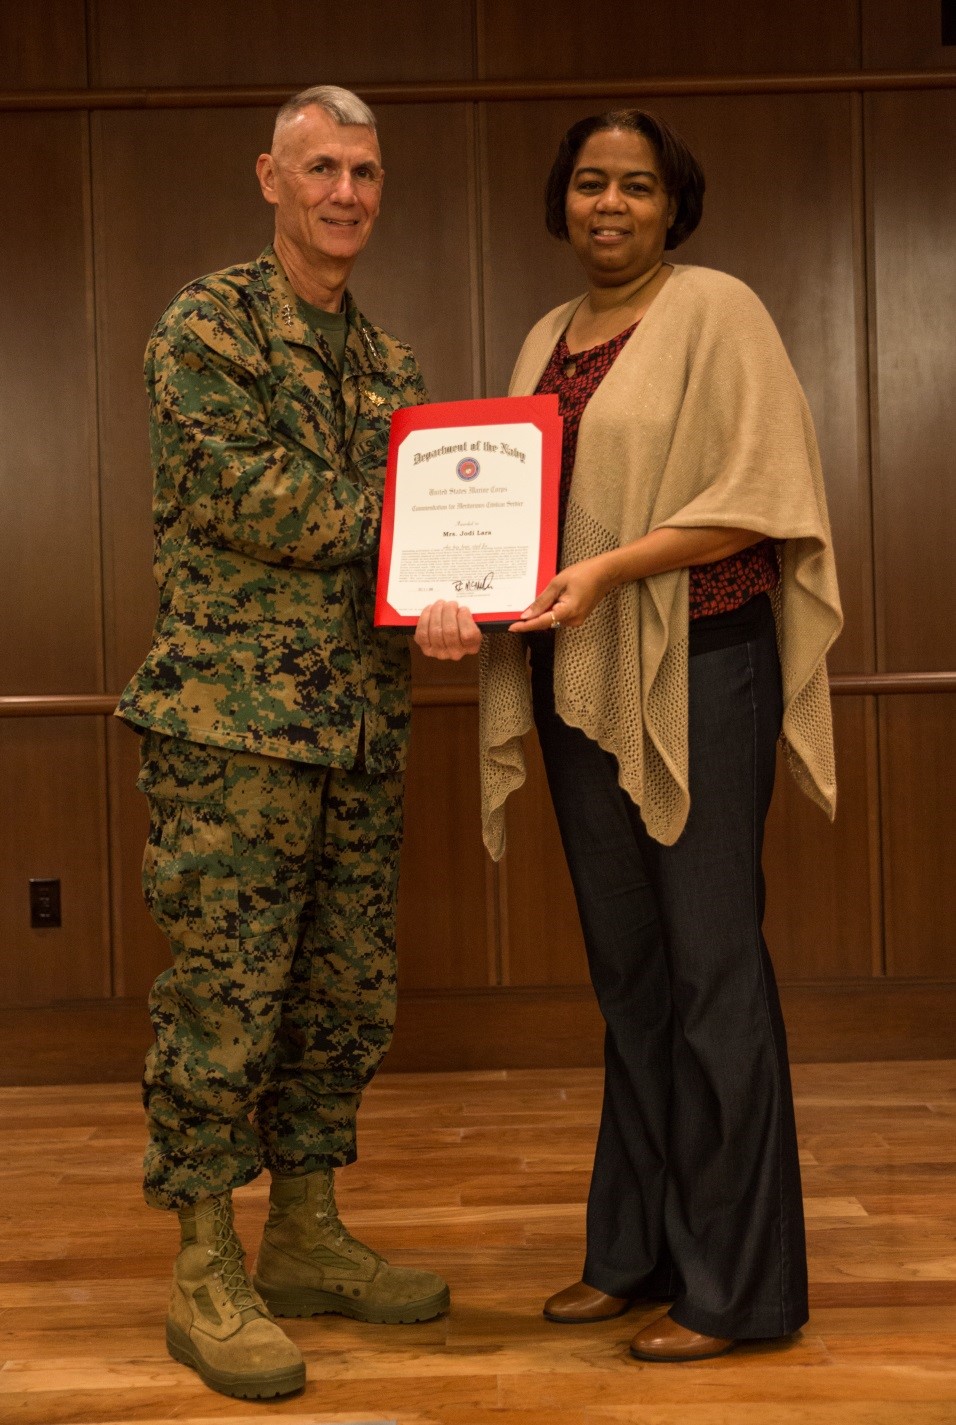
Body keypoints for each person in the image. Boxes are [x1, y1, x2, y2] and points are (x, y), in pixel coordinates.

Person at [415, 109, 842, 1363]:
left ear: (672, 205)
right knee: (631, 979)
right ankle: (637, 1251)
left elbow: (759, 501)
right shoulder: (545, 336)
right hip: (575, 675)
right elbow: (507, 503)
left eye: (636, 187)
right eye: (591, 184)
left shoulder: (719, 312)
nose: (610, 204)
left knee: (711, 972)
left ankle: (738, 1288)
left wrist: (607, 571)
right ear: (563, 201)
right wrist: (466, 590)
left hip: (701, 670)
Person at [116, 84, 449, 1401]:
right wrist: (411, 524)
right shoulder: (208, 324)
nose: (345, 193)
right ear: (271, 177)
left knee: (341, 993)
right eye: (321, 167)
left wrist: (442, 606)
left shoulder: (394, 368)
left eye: (364, 171)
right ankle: (205, 1258)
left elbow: (394, 554)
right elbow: (237, 487)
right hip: (234, 729)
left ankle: (304, 1228)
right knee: (225, 998)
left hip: (360, 729)